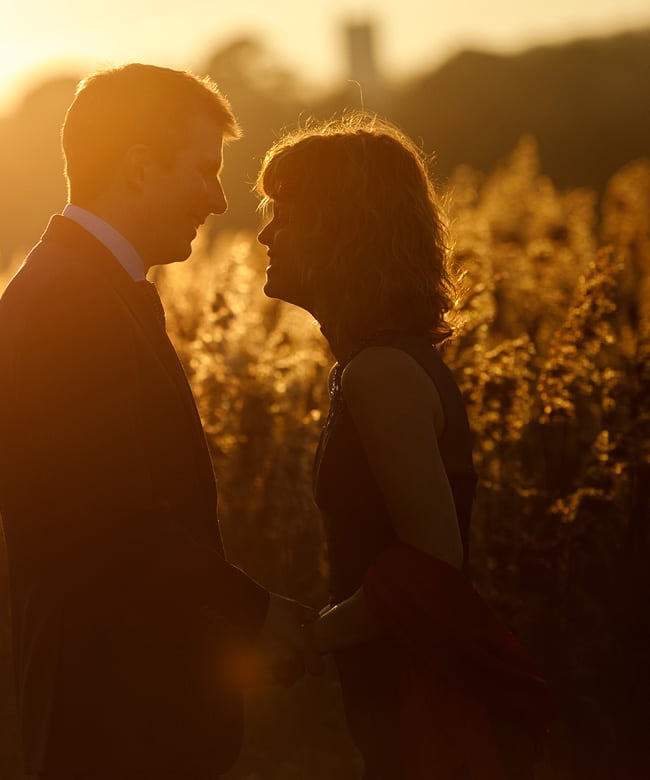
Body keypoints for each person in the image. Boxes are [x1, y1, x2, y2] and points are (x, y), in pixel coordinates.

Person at [0, 63, 314, 780]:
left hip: (128, 712)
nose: (219, 199)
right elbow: (118, 529)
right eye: (201, 171)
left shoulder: (89, 287)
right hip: (114, 723)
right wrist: (258, 614)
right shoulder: (70, 303)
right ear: (138, 168)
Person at [255, 113, 553, 779]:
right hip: (398, 690)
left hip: (421, 701)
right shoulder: (365, 368)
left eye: (285, 213)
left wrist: (312, 637)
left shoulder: (382, 374)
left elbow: (431, 563)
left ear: (342, 228)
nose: (265, 233)